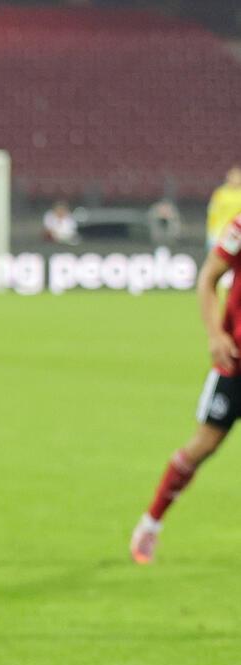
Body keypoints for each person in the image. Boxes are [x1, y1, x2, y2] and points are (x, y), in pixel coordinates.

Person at [128, 215, 241, 564]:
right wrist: (214, 334)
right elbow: (208, 278)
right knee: (203, 445)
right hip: (237, 362)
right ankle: (151, 523)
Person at [206, 166, 241, 252]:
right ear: (228, 176)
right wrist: (211, 233)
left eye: (238, 176)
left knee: (230, 260)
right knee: (217, 261)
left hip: (234, 235)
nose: (236, 179)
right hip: (218, 234)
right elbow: (212, 213)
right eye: (234, 176)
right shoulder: (220, 193)